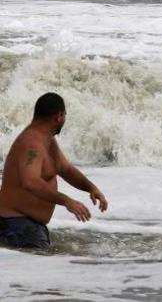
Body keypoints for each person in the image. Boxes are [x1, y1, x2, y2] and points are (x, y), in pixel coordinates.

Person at [0, 93, 108, 250]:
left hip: (25, 226)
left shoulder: (47, 139)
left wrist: (91, 188)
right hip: (16, 226)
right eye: (65, 115)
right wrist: (67, 201)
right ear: (59, 116)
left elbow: (65, 169)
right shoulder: (32, 143)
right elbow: (30, 182)